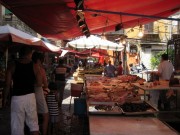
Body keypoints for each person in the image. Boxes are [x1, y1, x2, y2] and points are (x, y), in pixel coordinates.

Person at [4, 46, 41, 135]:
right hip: (30, 97)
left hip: (17, 98)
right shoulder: (35, 66)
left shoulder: (12, 65)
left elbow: (7, 85)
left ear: (20, 54)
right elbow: (39, 83)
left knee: (17, 127)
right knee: (34, 125)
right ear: (29, 54)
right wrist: (30, 83)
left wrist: (5, 98)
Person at [32, 52, 49, 135]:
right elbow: (45, 85)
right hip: (38, 92)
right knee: (45, 115)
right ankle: (44, 133)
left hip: (28, 93)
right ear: (39, 60)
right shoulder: (40, 69)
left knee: (32, 115)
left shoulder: (29, 67)